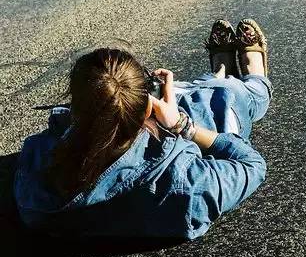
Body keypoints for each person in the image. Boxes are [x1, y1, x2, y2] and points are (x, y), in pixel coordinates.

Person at [14, 19, 271, 240]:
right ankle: (254, 76)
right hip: (199, 131)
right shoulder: (187, 182)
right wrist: (182, 126)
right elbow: (252, 164)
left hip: (142, 127)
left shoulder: (37, 180)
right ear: (146, 108)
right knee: (231, 93)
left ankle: (218, 71)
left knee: (192, 88)